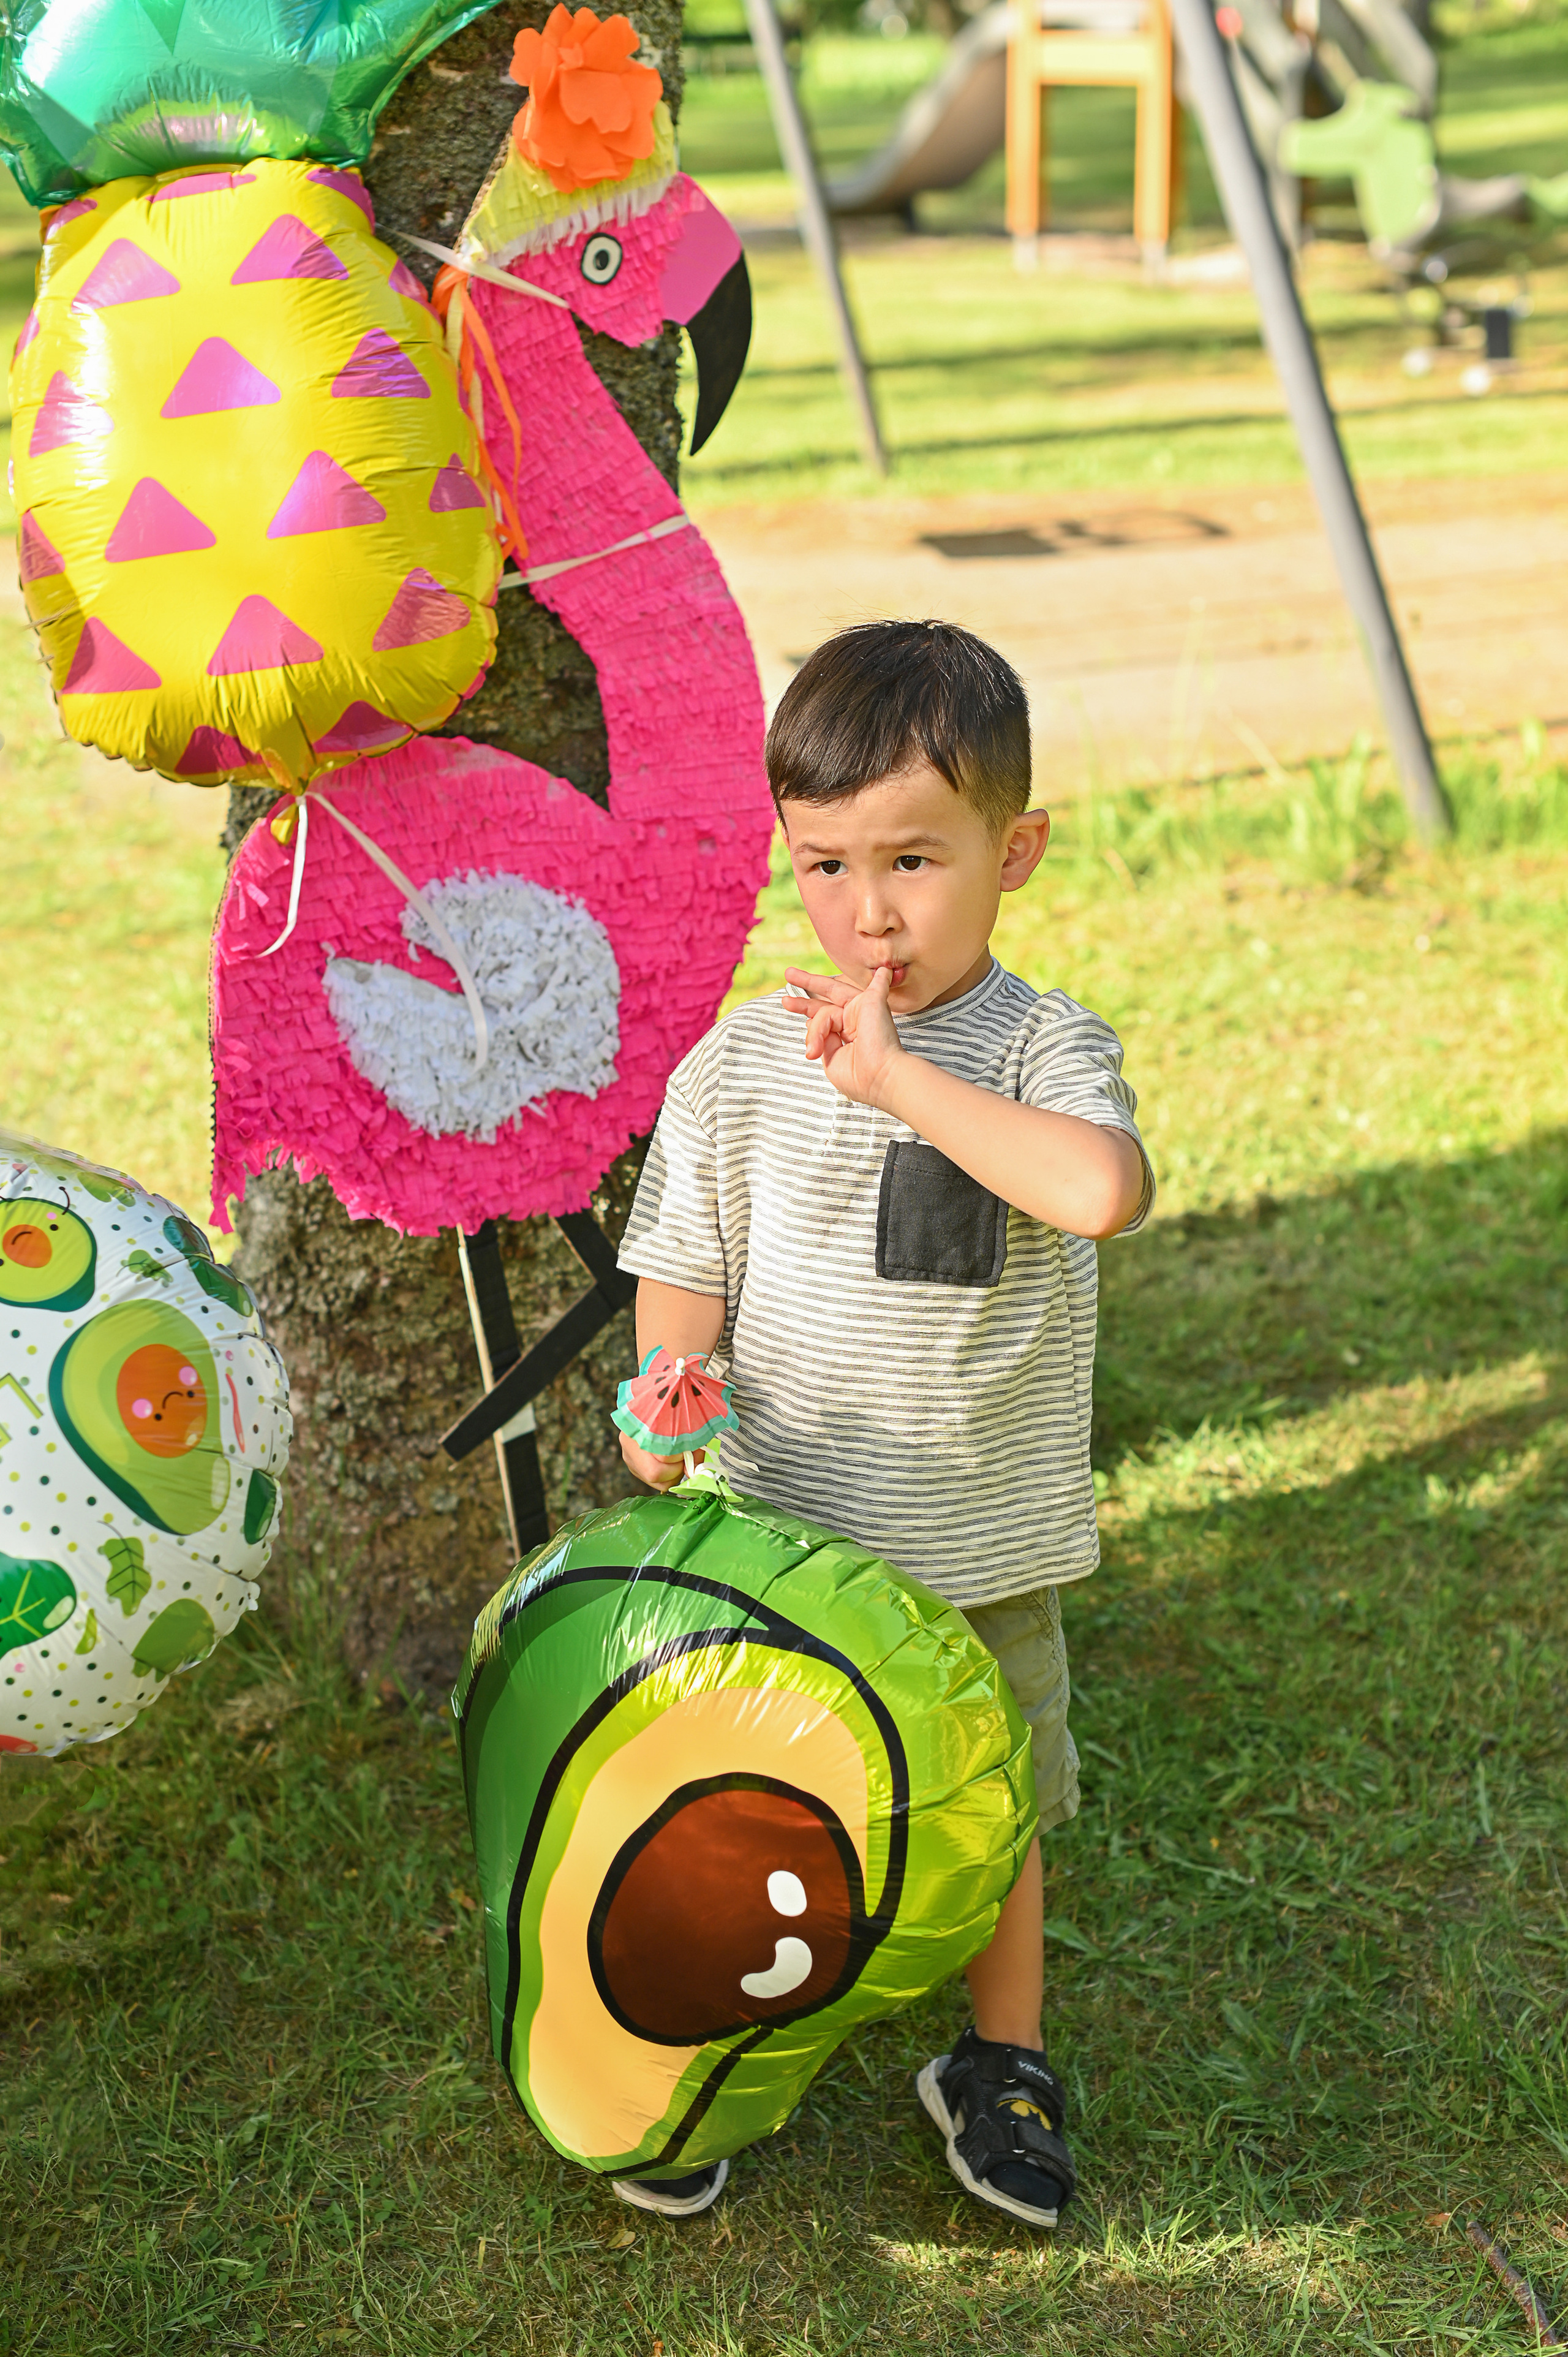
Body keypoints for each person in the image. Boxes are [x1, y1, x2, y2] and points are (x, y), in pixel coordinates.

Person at [612, 618, 1152, 2228]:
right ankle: (712, 2043)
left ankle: (1002, 2057)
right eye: (827, 866)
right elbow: (685, 1265)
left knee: (992, 1809)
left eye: (914, 860)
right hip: (785, 1552)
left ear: (1015, 852)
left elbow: (1099, 1192)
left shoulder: (1043, 1050)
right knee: (750, 1812)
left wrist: (902, 1083)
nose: (869, 911)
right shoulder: (739, 1067)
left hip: (977, 1553)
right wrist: (665, 1395)